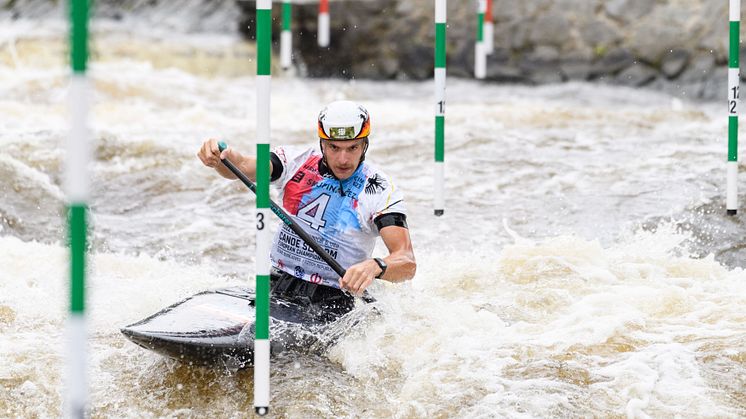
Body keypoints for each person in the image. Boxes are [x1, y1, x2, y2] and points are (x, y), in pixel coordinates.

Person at [197, 100, 416, 318]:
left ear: (365, 145)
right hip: (277, 284)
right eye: (334, 147)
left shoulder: (378, 189)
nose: (343, 159)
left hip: (333, 299)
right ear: (322, 144)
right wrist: (221, 159)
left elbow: (406, 261)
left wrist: (376, 266)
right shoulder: (295, 161)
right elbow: (244, 167)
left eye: (353, 148)